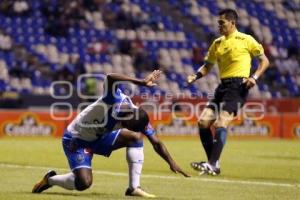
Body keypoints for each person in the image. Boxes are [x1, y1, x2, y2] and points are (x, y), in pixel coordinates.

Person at [32, 70, 190, 197]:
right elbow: (110, 77)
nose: (127, 127)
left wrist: (171, 161)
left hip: (100, 137)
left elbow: (156, 142)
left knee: (135, 138)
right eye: (128, 126)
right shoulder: (112, 99)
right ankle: (50, 180)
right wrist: (141, 82)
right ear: (127, 119)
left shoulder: (138, 117)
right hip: (77, 139)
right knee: (84, 183)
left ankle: (133, 188)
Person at [187, 9, 269, 176]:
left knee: (220, 123)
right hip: (222, 86)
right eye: (218, 23)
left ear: (232, 23)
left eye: (222, 23)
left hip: (239, 85)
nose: (219, 26)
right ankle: (213, 164)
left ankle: (211, 164)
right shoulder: (217, 43)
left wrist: (254, 77)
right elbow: (208, 65)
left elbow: (264, 61)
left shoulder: (246, 39)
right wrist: (195, 76)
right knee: (203, 123)